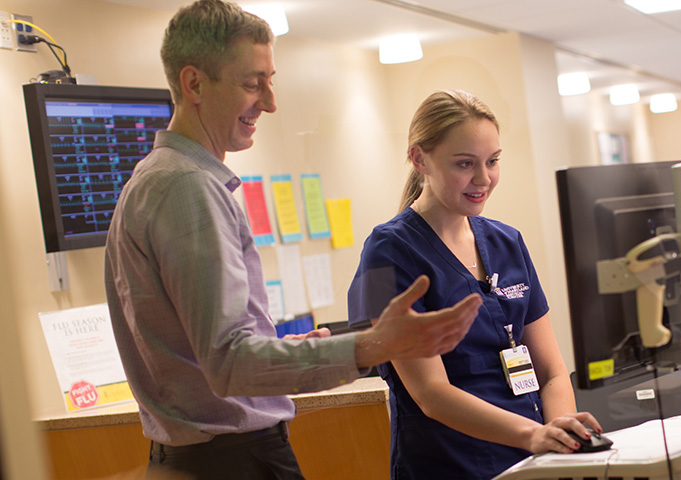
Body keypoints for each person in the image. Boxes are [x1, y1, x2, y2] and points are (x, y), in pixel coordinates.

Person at [103, 2, 481, 479]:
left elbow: (214, 355)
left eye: (270, 80)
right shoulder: (187, 187)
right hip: (233, 461)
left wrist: (283, 348)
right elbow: (229, 364)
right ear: (194, 83)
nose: (269, 101)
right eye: (250, 83)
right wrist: (370, 346)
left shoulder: (155, 178)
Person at [348, 90, 601, 479]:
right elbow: (431, 393)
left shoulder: (507, 242)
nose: (483, 179)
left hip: (534, 459)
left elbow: (551, 370)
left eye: (493, 161)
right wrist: (535, 435)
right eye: (465, 164)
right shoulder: (387, 252)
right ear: (419, 159)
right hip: (451, 463)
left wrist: (562, 437)